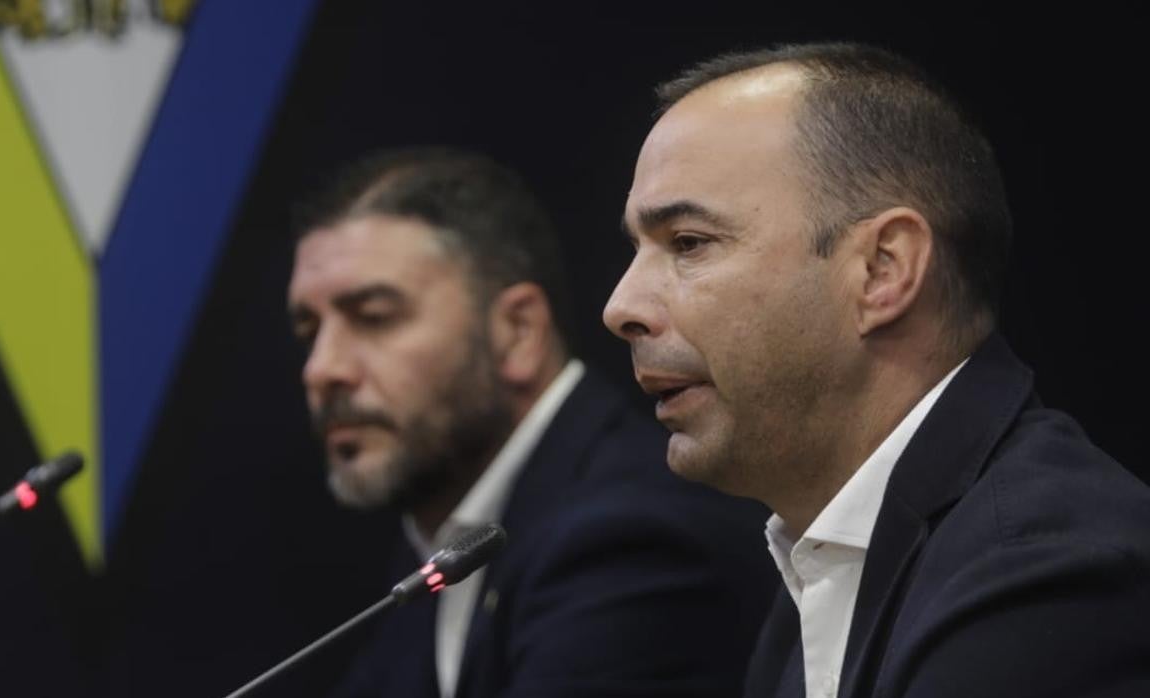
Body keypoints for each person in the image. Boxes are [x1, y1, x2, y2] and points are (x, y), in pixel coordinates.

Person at [602, 42, 1150, 698]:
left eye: (688, 243)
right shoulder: (827, 553)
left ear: (882, 271)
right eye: (638, 249)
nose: (619, 307)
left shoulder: (1042, 577)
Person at [288, 147, 776, 698]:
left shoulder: (629, 540)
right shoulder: (444, 537)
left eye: (374, 319)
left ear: (518, 332)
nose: (322, 369)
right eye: (310, 332)